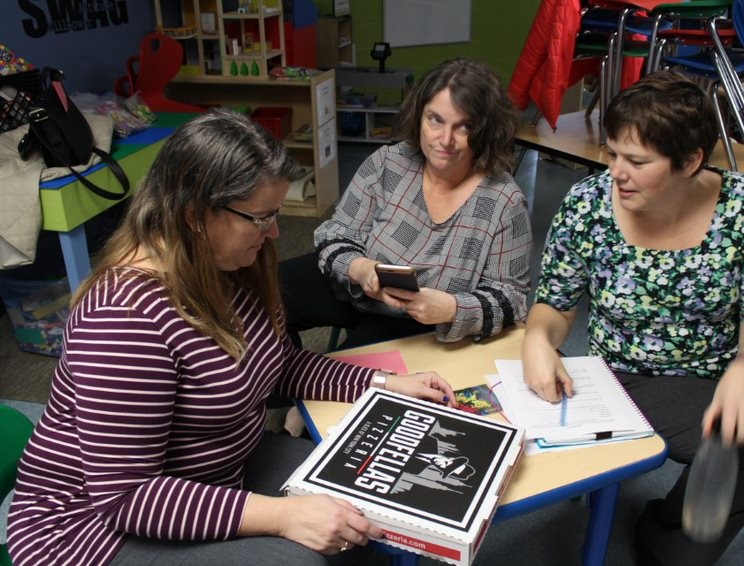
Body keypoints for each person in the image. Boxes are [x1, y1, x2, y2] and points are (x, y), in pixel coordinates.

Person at [6, 108, 457, 566]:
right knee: (299, 559)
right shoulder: (123, 319)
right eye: (261, 218)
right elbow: (127, 496)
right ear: (196, 216)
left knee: (363, 513)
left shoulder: (231, 265)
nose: (275, 231)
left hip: (218, 469)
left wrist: (381, 384)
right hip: (92, 529)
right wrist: (282, 517)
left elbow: (277, 365)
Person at [520, 72, 744, 566]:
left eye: (636, 160)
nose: (615, 171)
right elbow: (555, 305)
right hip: (639, 371)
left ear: (690, 161)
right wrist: (538, 341)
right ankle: (664, 540)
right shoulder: (587, 207)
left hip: (736, 352)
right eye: (612, 153)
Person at [279, 57, 532, 349]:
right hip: (355, 289)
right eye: (435, 119)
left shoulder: (503, 201)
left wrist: (452, 309)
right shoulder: (389, 162)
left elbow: (511, 298)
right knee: (251, 299)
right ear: (419, 116)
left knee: (356, 383)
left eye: (464, 127)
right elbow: (336, 234)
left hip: (417, 325)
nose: (445, 140)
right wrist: (362, 268)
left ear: (487, 129)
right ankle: (277, 380)